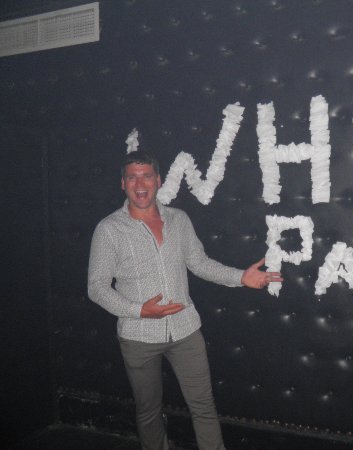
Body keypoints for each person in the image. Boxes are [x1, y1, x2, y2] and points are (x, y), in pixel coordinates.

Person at [88, 151, 281, 450]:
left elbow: (199, 263)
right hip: (138, 336)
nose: (140, 184)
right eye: (132, 177)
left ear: (158, 180)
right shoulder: (109, 229)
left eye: (146, 176)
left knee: (203, 406)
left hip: (185, 331)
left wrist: (240, 277)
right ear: (123, 183)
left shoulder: (179, 219)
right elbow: (97, 287)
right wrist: (139, 311)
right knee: (149, 411)